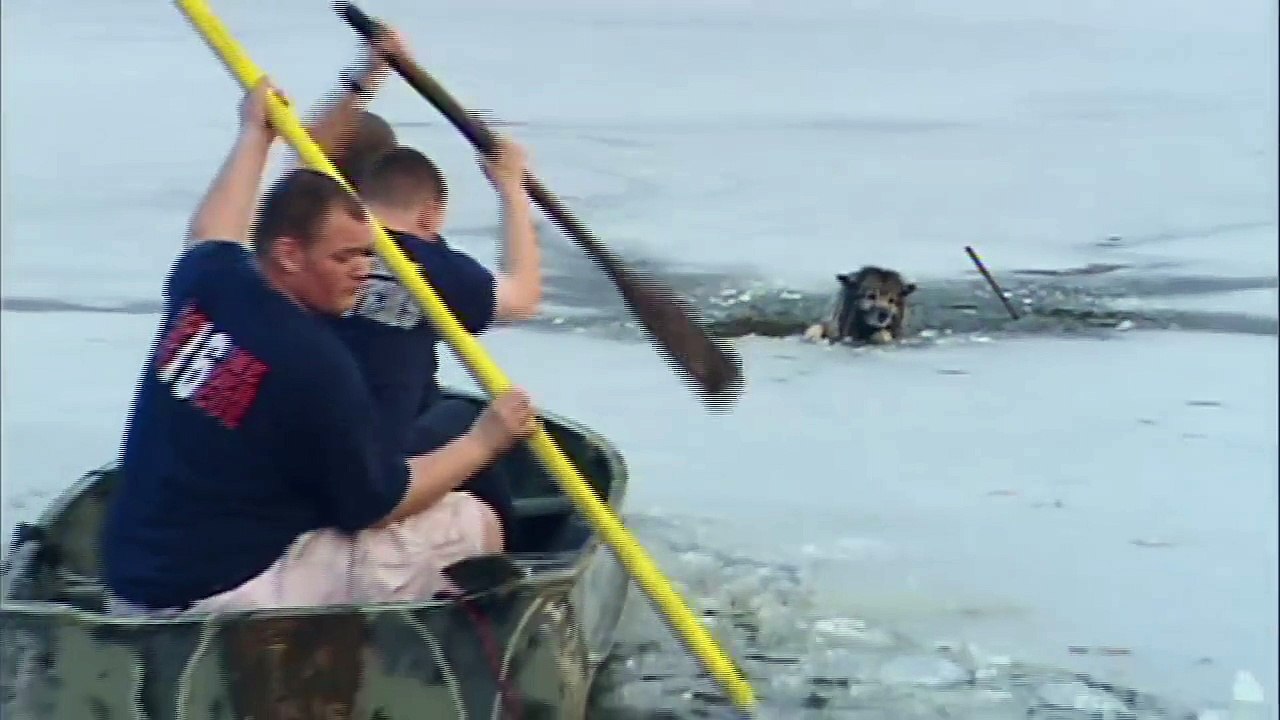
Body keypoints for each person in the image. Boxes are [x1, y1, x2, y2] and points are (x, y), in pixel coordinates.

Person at [100, 79, 537, 615]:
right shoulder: (317, 365)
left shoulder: (209, 282)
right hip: (231, 596)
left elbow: (213, 227)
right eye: (344, 258)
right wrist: (486, 441)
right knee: (471, 519)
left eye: (367, 254)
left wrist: (255, 135)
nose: (363, 271)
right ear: (288, 254)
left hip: (132, 578)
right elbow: (377, 505)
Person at [296, 27, 545, 549]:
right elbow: (523, 297)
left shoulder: (306, 242)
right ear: (430, 214)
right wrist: (511, 190)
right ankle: (509, 550)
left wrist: (365, 75)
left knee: (433, 401)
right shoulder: (431, 266)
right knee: (472, 419)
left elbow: (301, 158)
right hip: (373, 469)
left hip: (297, 448)